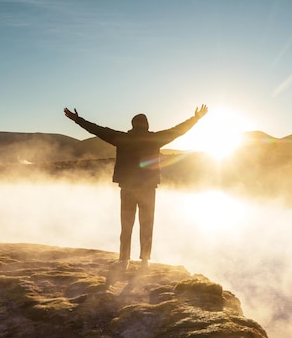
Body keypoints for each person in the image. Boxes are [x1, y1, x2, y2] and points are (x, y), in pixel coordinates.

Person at [64, 104, 208, 270]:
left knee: (126, 224)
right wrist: (196, 118)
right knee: (147, 224)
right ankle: (145, 261)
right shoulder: (154, 139)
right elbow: (178, 130)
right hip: (148, 188)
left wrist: (77, 119)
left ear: (132, 125)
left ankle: (124, 260)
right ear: (147, 125)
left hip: (128, 187)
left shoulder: (122, 138)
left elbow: (97, 129)